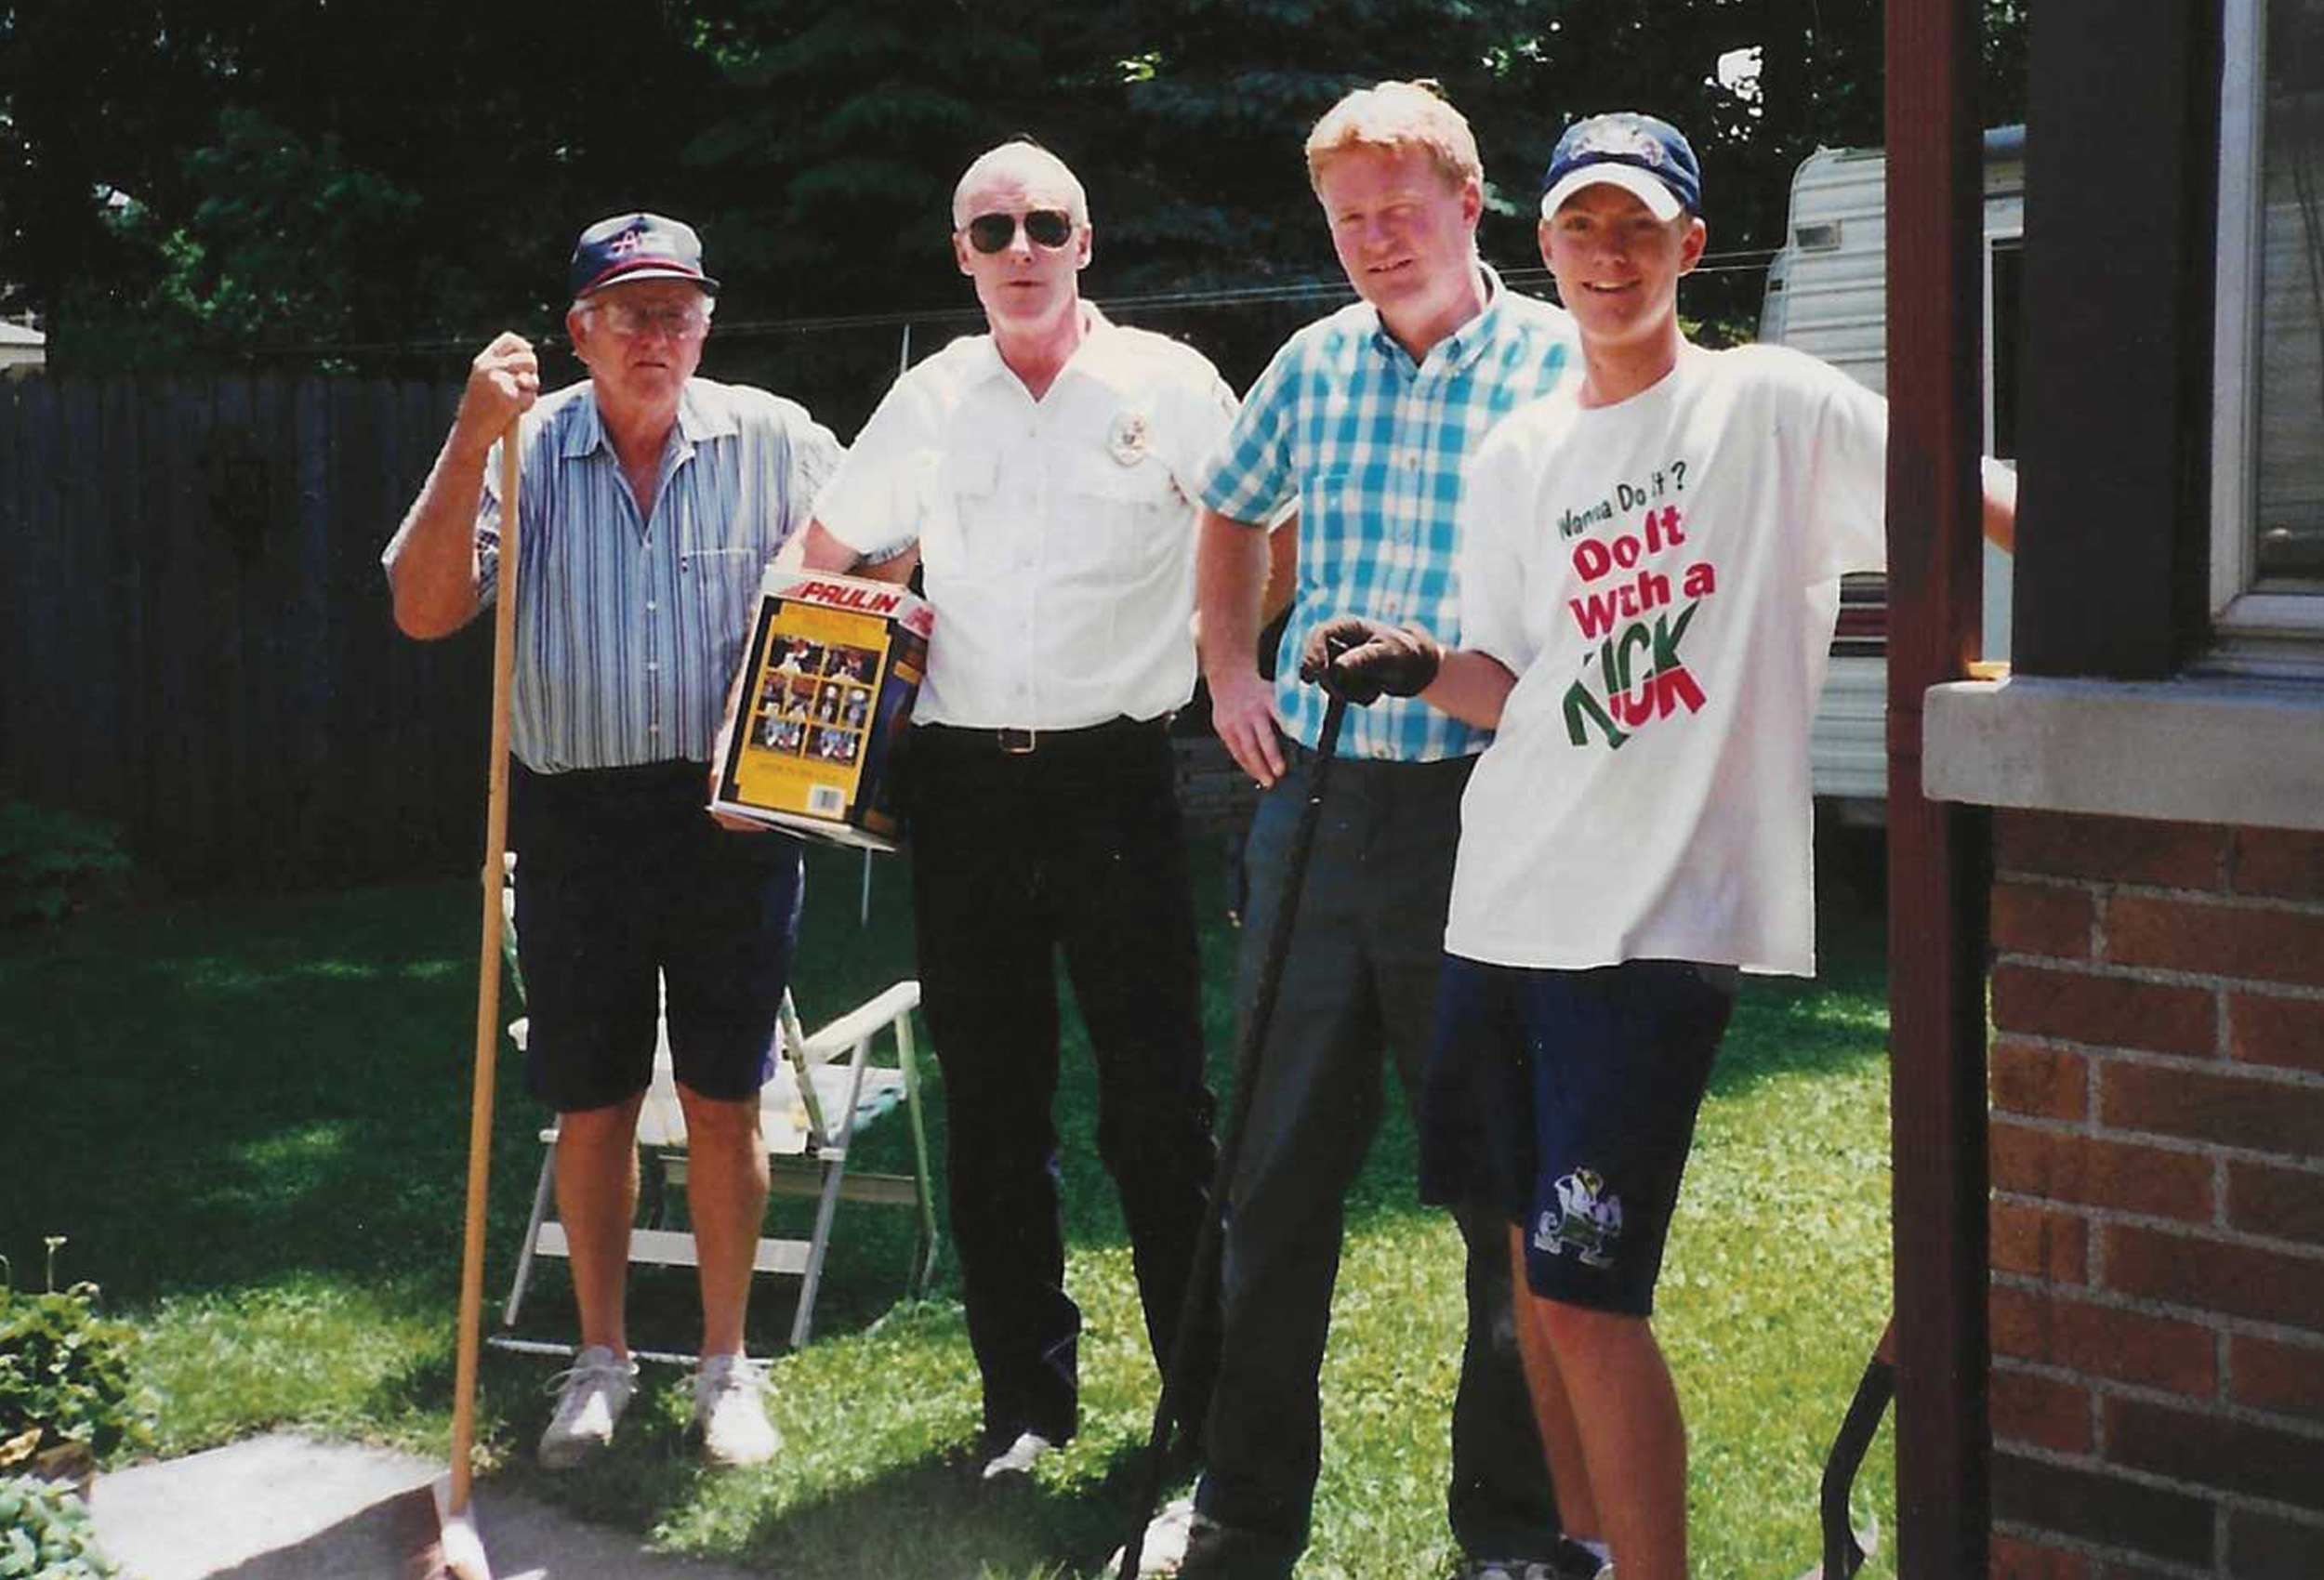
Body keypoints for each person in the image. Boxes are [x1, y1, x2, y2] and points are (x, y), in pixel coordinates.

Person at [1306, 112, 2017, 1580]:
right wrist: (1416, 660)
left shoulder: (1769, 404)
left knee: (1586, 1294)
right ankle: (1579, 1550)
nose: (1609, 255)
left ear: (1693, 247)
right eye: (1582, 228)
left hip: (1651, 928)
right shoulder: (1519, 450)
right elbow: (1509, 678)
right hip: (1500, 901)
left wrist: (2121, 629)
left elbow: (1984, 499)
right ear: (1545, 245)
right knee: (1523, 1275)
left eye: (1641, 228)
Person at [1142, 81, 1590, 1580]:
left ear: (1472, 205)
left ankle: (1513, 1535)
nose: (1376, 242)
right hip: (1321, 813)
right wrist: (1225, 667)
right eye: (1349, 220)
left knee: (1503, 1202)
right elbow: (1228, 506)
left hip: (1499, 816)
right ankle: (1243, 1516)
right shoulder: (1313, 365)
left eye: (1401, 209)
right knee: (1272, 1177)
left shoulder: (1561, 365)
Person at [793, 139, 1228, 1481]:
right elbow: (822, 557)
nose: (1022, 248)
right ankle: (1026, 1411)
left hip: (1119, 784)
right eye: (994, 230)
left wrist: (1231, 666)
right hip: (965, 788)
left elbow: (1255, 529)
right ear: (962, 256)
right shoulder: (927, 401)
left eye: (1046, 223)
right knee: (993, 1113)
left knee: (1159, 1111)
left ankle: (1202, 1416)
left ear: (1086, 242)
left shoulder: (1173, 386)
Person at [382, 211, 842, 1470]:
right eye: (629, 311)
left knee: (721, 1096)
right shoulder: (522, 448)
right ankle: (600, 1358)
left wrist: (801, 723)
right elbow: (424, 609)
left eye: (678, 308)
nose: (658, 333)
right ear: (579, 329)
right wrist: (472, 434)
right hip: (575, 814)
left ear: (708, 318)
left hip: (729, 814)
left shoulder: (779, 437)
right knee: (588, 1105)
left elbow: (887, 556)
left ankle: (726, 1365)